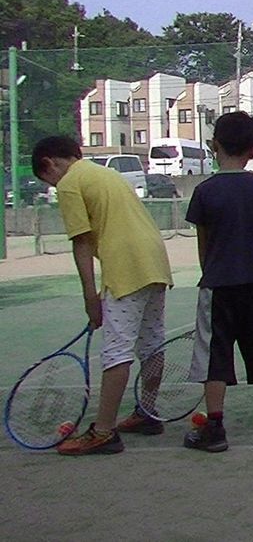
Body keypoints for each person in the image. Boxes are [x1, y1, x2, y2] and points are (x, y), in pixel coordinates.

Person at [31, 136, 173, 455]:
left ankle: (103, 431)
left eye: (47, 179)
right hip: (155, 261)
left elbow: (81, 242)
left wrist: (89, 298)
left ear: (50, 164)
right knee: (151, 343)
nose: (53, 185)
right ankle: (147, 413)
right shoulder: (105, 173)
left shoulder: (70, 183)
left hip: (125, 265)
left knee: (117, 351)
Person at [178, 111, 253, 452]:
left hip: (220, 284)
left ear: (214, 145)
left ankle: (214, 426)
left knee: (215, 353)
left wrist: (209, 273)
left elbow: (204, 243)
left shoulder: (205, 191)